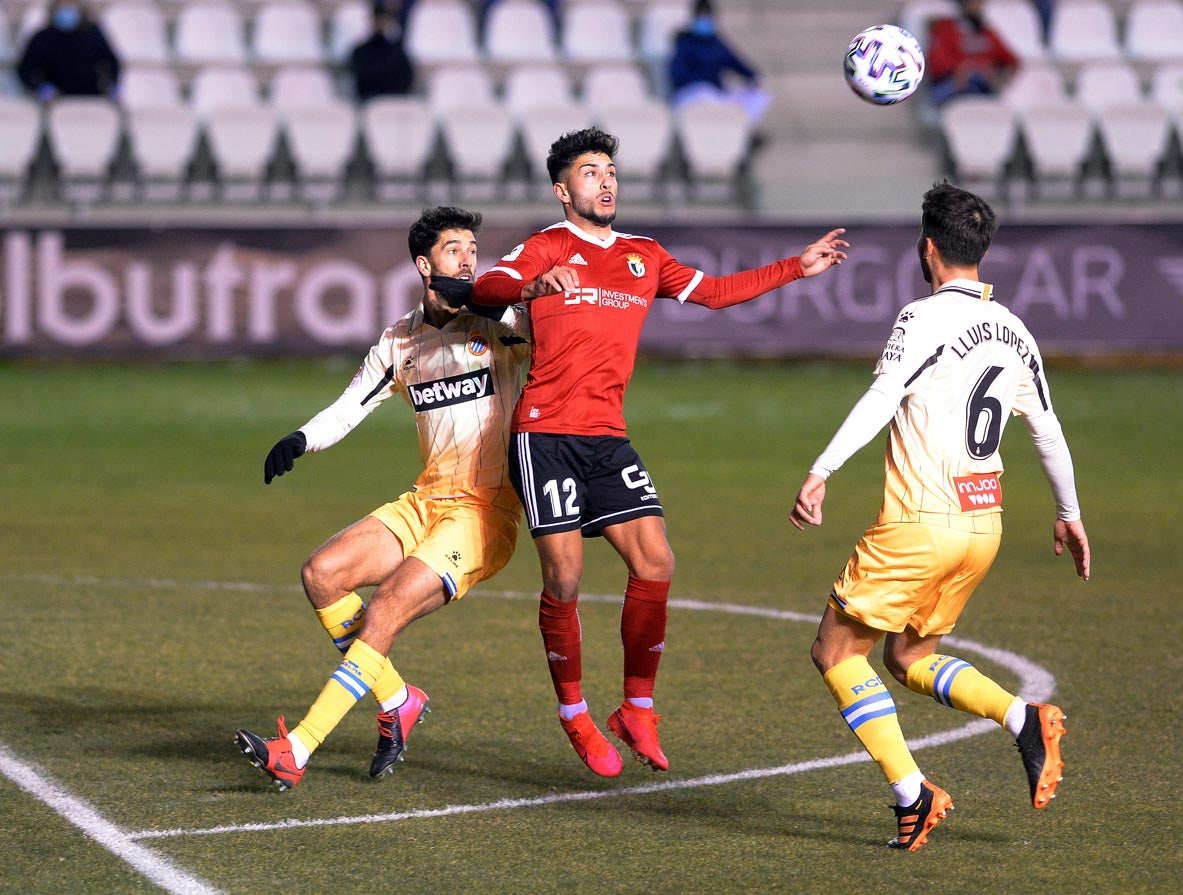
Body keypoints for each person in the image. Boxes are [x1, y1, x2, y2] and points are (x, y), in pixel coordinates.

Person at [471, 127, 847, 777]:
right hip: (544, 434)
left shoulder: (644, 255)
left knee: (655, 561)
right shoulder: (546, 245)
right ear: (563, 190)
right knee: (564, 578)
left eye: (611, 169)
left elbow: (715, 293)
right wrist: (528, 289)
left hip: (606, 437)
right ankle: (575, 714)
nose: (606, 180)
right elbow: (485, 288)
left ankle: (636, 707)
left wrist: (796, 266)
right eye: (590, 172)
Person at [789, 182, 1090, 851]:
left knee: (834, 650)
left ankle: (911, 792)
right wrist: (1068, 512)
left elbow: (880, 395)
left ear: (927, 248)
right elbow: (1046, 430)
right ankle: (1022, 717)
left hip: (919, 522)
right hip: (983, 525)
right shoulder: (1014, 329)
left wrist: (821, 468)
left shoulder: (919, 319)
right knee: (908, 653)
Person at [234, 206, 531, 791]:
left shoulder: (498, 325)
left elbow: (538, 330)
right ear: (424, 263)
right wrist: (302, 438)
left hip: (483, 510)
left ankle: (296, 748)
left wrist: (490, 299)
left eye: (474, 247)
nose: (469, 256)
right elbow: (350, 407)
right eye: (454, 249)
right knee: (322, 573)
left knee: (387, 606)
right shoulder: (401, 340)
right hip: (426, 500)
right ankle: (398, 699)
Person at [667, 0, 769, 126]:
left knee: (757, 96)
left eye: (707, 16)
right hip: (691, 94)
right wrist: (703, 79)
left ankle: (742, 131)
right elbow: (677, 74)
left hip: (716, 93)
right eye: (701, 17)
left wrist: (753, 76)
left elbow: (735, 61)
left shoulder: (717, 43)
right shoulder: (685, 43)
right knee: (705, 94)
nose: (704, 21)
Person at [17, 1, 121, 102]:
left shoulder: (93, 34)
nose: (66, 10)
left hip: (90, 99)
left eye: (71, 5)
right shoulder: (42, 38)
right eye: (62, 6)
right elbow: (25, 69)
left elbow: (112, 62)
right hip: (55, 102)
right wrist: (40, 88)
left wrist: (111, 86)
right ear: (54, 8)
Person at [925, 0, 1020, 108]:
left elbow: (1012, 60)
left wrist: (998, 75)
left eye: (980, 3)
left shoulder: (986, 31)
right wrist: (963, 69)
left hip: (983, 85)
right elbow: (937, 64)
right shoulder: (946, 28)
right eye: (973, 2)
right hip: (951, 86)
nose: (978, 6)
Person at [348, 0, 416, 101]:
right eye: (378, 19)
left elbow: (407, 80)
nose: (380, 23)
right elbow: (360, 80)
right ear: (372, 20)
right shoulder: (360, 51)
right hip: (368, 102)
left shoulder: (398, 52)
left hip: (394, 102)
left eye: (383, 19)